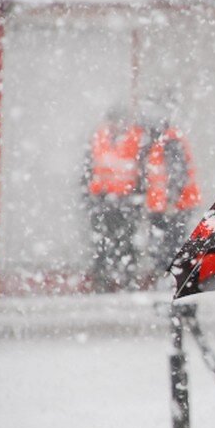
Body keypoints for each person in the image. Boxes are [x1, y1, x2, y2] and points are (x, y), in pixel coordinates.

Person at [81, 107, 143, 292]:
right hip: (102, 200)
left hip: (126, 201)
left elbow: (142, 171)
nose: (116, 126)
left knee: (126, 242)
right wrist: (89, 196)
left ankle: (127, 280)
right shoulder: (99, 139)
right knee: (101, 243)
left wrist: (137, 197)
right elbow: (88, 169)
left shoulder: (134, 139)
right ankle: (102, 280)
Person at [140, 112, 201, 283]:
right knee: (164, 246)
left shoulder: (170, 142)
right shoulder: (159, 143)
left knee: (170, 245)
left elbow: (178, 174)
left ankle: (172, 280)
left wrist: (171, 201)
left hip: (174, 207)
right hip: (163, 206)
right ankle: (168, 279)